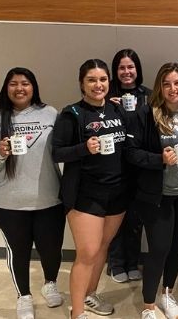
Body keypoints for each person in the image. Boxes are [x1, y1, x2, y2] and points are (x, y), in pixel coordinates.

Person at [0, 67, 65, 319]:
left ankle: (50, 283)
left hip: (49, 199)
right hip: (8, 203)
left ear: (33, 87)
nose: (19, 88)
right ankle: (23, 295)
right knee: (18, 251)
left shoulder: (50, 114)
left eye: (25, 83)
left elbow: (64, 147)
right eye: (13, 84)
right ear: (6, 88)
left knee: (51, 248)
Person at [125, 62, 178, 319]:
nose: (173, 89)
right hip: (156, 196)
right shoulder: (146, 114)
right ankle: (149, 305)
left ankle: (167, 294)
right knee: (159, 248)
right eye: (167, 83)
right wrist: (158, 158)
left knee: (176, 247)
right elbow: (131, 153)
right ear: (160, 86)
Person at [52, 59, 128, 319]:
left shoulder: (118, 110)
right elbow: (56, 153)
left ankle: (90, 294)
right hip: (85, 194)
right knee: (87, 253)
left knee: (103, 246)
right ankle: (78, 312)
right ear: (82, 84)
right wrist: (84, 148)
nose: (98, 85)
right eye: (92, 80)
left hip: (117, 192)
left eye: (103, 79)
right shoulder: (71, 114)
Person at [106, 49, 152, 283]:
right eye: (121, 68)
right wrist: (110, 107)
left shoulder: (148, 95)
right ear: (115, 71)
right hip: (114, 166)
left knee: (135, 218)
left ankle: (133, 262)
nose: (126, 72)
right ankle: (115, 263)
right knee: (115, 217)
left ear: (137, 69)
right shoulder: (106, 95)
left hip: (140, 167)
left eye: (130, 67)